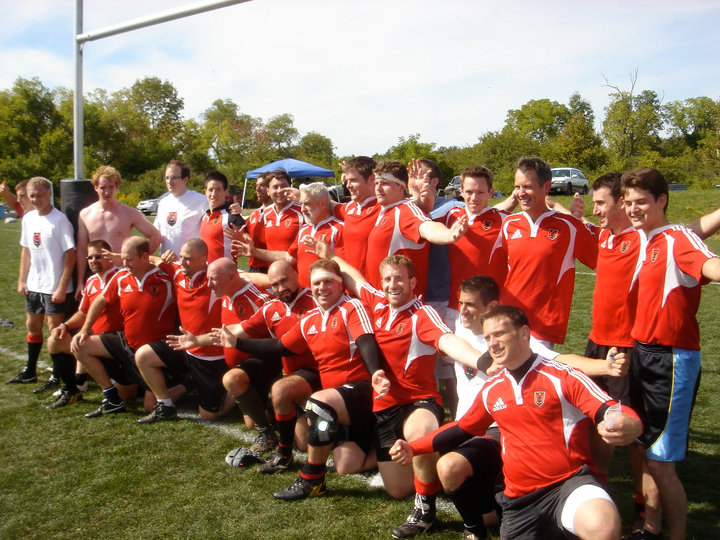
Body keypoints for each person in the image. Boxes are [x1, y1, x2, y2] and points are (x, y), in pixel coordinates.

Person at [391, 305, 643, 540]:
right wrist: (413, 448)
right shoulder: (492, 389)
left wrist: (628, 425)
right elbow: (461, 428)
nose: (492, 343)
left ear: (524, 333)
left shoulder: (562, 376)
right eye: (488, 337)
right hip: (519, 501)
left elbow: (610, 409)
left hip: (567, 485)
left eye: (499, 334)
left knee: (602, 523)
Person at [222, 259, 382, 501]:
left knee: (319, 403)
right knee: (344, 465)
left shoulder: (351, 307)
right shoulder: (310, 318)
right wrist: (237, 343)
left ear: (341, 284)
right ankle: (384, 448)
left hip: (360, 394)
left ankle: (312, 479)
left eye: (328, 281)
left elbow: (366, 342)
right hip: (338, 406)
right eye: (317, 283)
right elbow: (279, 346)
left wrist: (376, 374)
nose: (322, 287)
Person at [621, 167, 720, 540]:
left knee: (662, 463)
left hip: (672, 360)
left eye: (641, 202)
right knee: (644, 449)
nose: (633, 209)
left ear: (661, 200)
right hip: (642, 355)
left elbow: (708, 263)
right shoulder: (648, 237)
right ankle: (650, 527)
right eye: (628, 202)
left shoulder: (677, 238)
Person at [206, 261, 319, 472]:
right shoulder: (271, 307)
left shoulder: (317, 301)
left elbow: (281, 346)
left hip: (320, 375)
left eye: (285, 280)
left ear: (296, 274)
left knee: (303, 442)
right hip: (292, 378)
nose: (281, 288)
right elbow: (234, 332)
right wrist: (194, 341)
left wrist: (236, 342)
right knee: (292, 434)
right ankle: (272, 427)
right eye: (274, 284)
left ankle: (287, 450)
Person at [70, 236, 177, 418]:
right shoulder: (121, 278)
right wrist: (83, 329)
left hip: (154, 351)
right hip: (126, 343)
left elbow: (193, 273)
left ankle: (184, 383)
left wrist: (165, 258)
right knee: (80, 345)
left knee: (150, 407)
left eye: (129, 260)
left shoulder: (166, 277)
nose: (125, 264)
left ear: (145, 257)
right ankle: (112, 399)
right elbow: (100, 301)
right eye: (123, 259)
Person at [133, 239, 234, 424]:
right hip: (185, 347)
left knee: (209, 416)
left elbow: (245, 278)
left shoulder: (215, 279)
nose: (182, 262)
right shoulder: (178, 272)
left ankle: (235, 393)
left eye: (188, 259)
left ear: (204, 259)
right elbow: (155, 261)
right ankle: (167, 406)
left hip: (211, 357)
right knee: (143, 356)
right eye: (181, 257)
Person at [500, 157, 597, 347]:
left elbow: (602, 258)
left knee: (535, 376)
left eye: (527, 187)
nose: (521, 193)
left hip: (542, 325)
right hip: (507, 319)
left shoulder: (569, 226)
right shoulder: (508, 224)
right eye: (517, 187)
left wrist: (580, 218)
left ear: (546, 187)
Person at [407, 158, 465, 419]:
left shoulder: (451, 207)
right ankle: (427, 420)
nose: (417, 181)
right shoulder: (401, 209)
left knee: (448, 371)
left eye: (423, 176)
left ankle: (456, 423)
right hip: (409, 300)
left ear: (435, 182)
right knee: (418, 369)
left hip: (441, 298)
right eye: (413, 176)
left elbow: (481, 213)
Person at [7, 177, 77, 388]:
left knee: (55, 331)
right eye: (32, 196)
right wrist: (22, 279)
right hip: (34, 284)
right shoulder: (29, 218)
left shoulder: (59, 220)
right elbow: (26, 250)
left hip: (54, 286)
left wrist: (62, 286)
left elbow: (71, 254)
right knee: (32, 325)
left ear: (49, 194)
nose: (35, 199)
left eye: (39, 195)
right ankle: (30, 370)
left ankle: (57, 375)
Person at [45, 239, 122, 408]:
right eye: (90, 257)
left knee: (128, 395)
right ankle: (72, 390)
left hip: (117, 343)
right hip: (95, 341)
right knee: (54, 340)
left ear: (109, 257)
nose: (94, 261)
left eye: (98, 256)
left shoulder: (121, 277)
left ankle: (103, 390)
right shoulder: (91, 281)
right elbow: (83, 313)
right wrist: (64, 326)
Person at [238, 182, 343, 288]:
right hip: (305, 296)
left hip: (328, 296)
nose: (302, 209)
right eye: (301, 204)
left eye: (307, 204)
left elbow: (344, 269)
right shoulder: (304, 230)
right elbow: (289, 257)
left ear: (322, 204)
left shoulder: (338, 229)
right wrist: (254, 252)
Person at [76, 165, 161, 292]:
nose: (107, 192)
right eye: (103, 187)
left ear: (117, 187)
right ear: (95, 188)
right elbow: (82, 249)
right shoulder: (85, 214)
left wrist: (139, 261)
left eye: (111, 187)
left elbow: (156, 236)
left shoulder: (129, 213)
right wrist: (80, 282)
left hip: (123, 274)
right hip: (98, 276)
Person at [333, 157, 379, 276]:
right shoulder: (350, 208)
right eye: (347, 181)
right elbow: (326, 204)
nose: (348, 186)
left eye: (353, 180)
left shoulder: (384, 208)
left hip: (374, 289)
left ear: (371, 179)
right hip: (350, 287)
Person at [154, 159, 208, 255]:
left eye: (174, 178)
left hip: (189, 265)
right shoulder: (163, 203)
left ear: (185, 179)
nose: (169, 181)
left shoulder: (201, 201)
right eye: (167, 178)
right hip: (165, 264)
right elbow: (156, 233)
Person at [200, 171, 245, 263]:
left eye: (218, 190)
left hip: (225, 274)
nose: (213, 194)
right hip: (205, 274)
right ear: (205, 192)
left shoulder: (232, 217)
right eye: (210, 190)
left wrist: (243, 240)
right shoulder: (204, 217)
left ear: (225, 192)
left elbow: (247, 239)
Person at [260, 169, 304, 253]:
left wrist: (302, 197)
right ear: (267, 191)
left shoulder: (302, 210)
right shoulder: (266, 213)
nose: (280, 190)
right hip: (272, 266)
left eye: (284, 186)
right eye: (275, 187)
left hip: (296, 265)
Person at [244, 172, 272, 273]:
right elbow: (246, 236)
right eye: (256, 185)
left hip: (270, 268)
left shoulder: (277, 214)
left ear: (270, 188)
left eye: (262, 185)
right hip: (253, 267)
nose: (257, 188)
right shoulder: (254, 215)